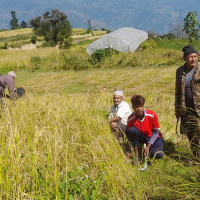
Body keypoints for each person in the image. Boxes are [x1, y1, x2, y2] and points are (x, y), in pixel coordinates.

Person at [175, 45, 200, 157]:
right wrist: (177, 109)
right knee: (191, 134)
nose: (193, 59)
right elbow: (177, 91)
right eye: (190, 57)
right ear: (184, 58)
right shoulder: (180, 71)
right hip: (187, 109)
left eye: (195, 56)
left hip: (199, 108)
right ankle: (197, 156)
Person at [126, 95, 164, 162]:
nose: (139, 109)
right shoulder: (130, 119)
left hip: (154, 137)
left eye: (141, 106)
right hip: (142, 137)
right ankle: (136, 154)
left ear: (143, 106)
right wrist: (129, 151)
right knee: (132, 130)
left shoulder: (152, 115)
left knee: (158, 155)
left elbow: (156, 132)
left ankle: (149, 149)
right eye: (137, 107)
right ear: (133, 107)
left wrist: (148, 146)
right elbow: (130, 135)